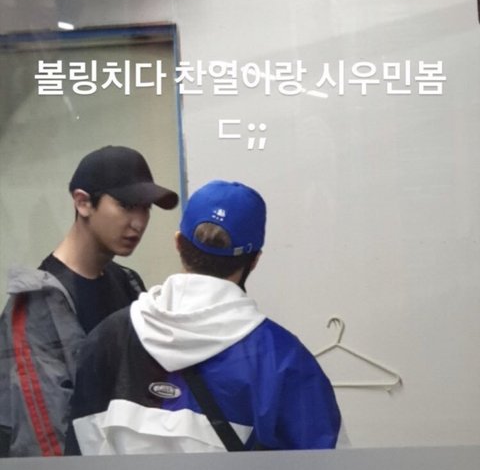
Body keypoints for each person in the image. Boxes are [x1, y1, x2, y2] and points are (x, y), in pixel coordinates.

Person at [66, 180, 341, 455]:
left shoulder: (106, 339)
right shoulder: (284, 360)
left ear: (178, 243)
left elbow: (80, 451)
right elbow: (328, 459)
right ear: (255, 259)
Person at [0, 145, 178, 457]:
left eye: (146, 208)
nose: (138, 222)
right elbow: (43, 439)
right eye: (126, 205)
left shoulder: (129, 283)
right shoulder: (37, 304)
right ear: (83, 202)